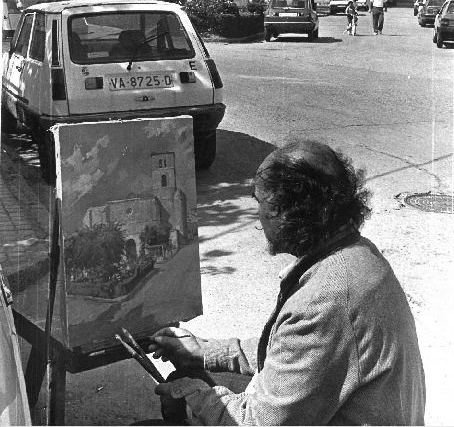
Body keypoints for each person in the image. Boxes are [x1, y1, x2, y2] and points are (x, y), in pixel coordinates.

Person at [149, 140, 426, 426]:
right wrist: (205, 353)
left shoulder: (327, 299)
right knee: (189, 380)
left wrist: (193, 395)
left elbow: (258, 423)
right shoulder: (357, 253)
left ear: (290, 211)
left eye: (260, 201)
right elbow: (295, 353)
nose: (256, 214)